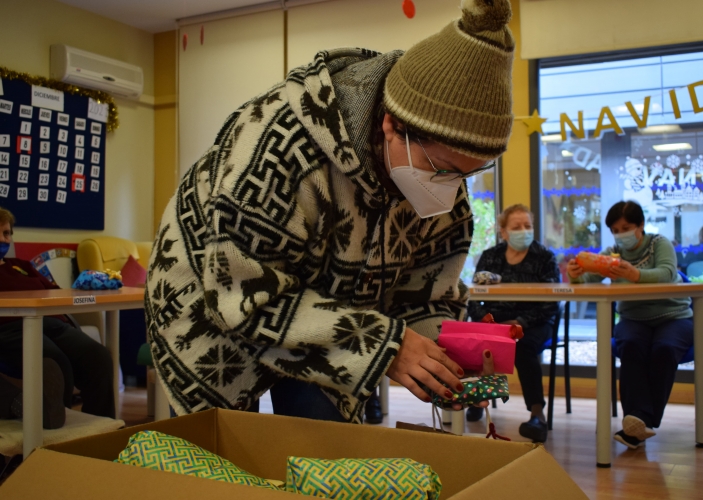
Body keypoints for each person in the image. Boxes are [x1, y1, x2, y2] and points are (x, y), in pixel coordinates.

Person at [146, 0, 516, 423]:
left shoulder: (441, 171)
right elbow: (241, 301)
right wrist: (388, 346)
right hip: (212, 291)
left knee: (327, 449)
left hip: (331, 313)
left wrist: (444, 359)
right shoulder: (278, 146)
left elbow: (425, 293)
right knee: (216, 457)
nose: (450, 192)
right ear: (392, 124)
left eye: (469, 175)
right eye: (442, 169)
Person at [567, 200, 692, 449]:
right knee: (631, 346)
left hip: (673, 316)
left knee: (664, 350)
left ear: (641, 225)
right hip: (633, 318)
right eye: (615, 230)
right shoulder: (613, 253)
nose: (620, 234)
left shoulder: (659, 244)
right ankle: (638, 423)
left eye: (625, 227)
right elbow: (588, 277)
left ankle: (640, 422)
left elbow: (668, 272)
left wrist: (635, 275)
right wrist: (575, 272)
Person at [0, 207, 115, 421]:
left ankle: (101, 429)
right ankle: (56, 432)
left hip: (53, 323)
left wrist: (89, 285)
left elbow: (56, 292)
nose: (3, 238)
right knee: (57, 363)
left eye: (6, 233)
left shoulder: (22, 266)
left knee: (99, 357)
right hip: (12, 329)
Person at [467, 204, 560, 442]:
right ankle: (479, 397)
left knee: (524, 347)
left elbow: (551, 303)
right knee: (474, 340)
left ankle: (537, 414)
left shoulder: (545, 258)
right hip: (494, 321)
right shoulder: (490, 257)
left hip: (533, 323)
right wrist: (486, 320)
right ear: (504, 232)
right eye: (516, 227)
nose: (524, 231)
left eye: (527, 226)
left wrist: (518, 322)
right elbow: (474, 296)